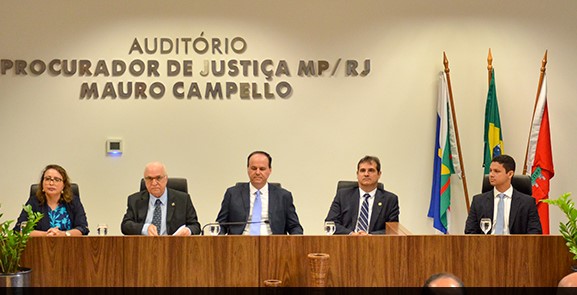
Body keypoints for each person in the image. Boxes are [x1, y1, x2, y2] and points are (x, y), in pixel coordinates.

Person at [215, 151, 303, 235]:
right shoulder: (232, 194)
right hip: (239, 244)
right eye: (253, 168)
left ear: (270, 170)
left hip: (274, 244)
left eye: (262, 169)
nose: (257, 172)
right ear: (248, 169)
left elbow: (294, 227)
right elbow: (220, 225)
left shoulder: (283, 196)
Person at [464, 154, 542, 234]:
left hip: (516, 245)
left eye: (496, 171)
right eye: (490, 170)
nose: (491, 175)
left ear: (510, 174)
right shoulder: (478, 201)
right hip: (486, 245)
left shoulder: (527, 203)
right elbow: (470, 232)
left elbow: (535, 233)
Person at [325, 155, 400, 235]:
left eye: (371, 170)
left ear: (379, 174)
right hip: (346, 243)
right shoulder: (343, 196)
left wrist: (370, 236)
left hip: (376, 245)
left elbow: (392, 229)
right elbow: (330, 223)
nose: (366, 174)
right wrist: (351, 234)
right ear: (357, 174)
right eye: (362, 170)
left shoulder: (390, 200)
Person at [121, 162, 200, 236]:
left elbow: (195, 226)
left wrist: (188, 230)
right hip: (144, 246)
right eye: (149, 178)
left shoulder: (183, 200)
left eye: (158, 178)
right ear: (145, 180)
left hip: (174, 247)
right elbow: (125, 226)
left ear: (166, 179)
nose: (154, 183)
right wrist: (145, 228)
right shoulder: (135, 200)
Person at [14, 164, 89, 236]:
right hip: (41, 246)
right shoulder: (34, 202)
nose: (51, 183)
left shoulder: (73, 201)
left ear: (64, 185)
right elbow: (20, 229)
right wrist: (46, 234)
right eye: (47, 179)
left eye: (57, 180)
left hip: (70, 246)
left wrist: (63, 234)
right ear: (42, 183)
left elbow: (83, 228)